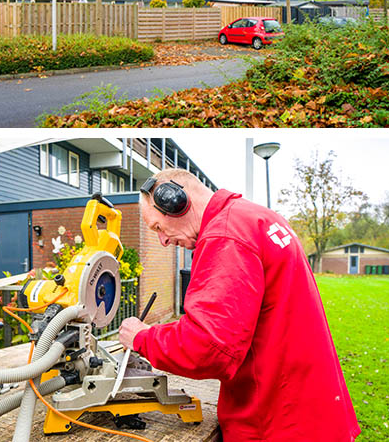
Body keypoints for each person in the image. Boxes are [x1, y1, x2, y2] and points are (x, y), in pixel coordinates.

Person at [118, 168, 359, 441]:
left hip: (278, 422)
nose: (162, 241)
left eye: (158, 227)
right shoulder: (258, 217)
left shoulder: (225, 237)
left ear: (175, 202)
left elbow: (208, 347)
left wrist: (142, 337)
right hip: (314, 409)